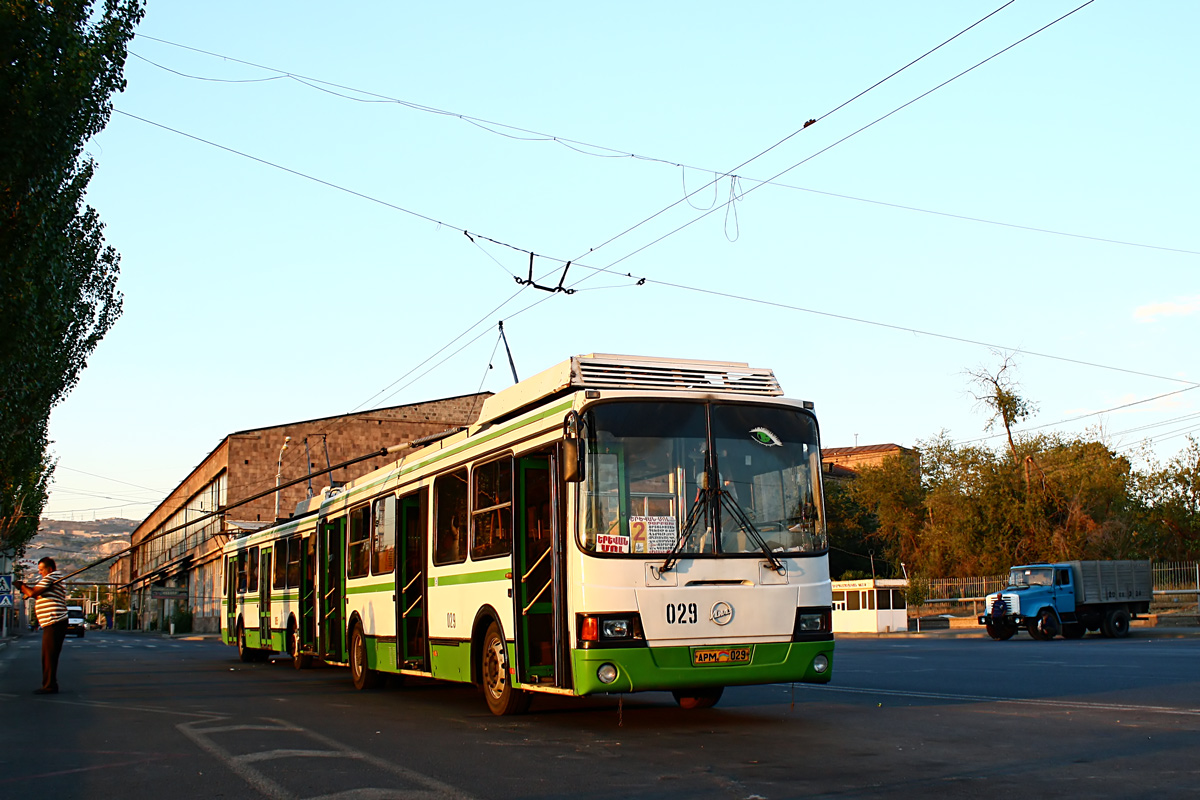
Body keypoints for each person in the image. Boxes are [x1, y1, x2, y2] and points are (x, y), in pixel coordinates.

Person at [16, 557, 68, 695]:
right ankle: (50, 684)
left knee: (49, 656)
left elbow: (33, 593)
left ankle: (49, 686)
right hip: (53, 622)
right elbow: (37, 595)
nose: (39, 573)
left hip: (54, 621)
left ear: (49, 569)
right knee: (48, 655)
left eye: (41, 570)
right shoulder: (52, 580)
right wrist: (26, 591)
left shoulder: (52, 577)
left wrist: (21, 586)